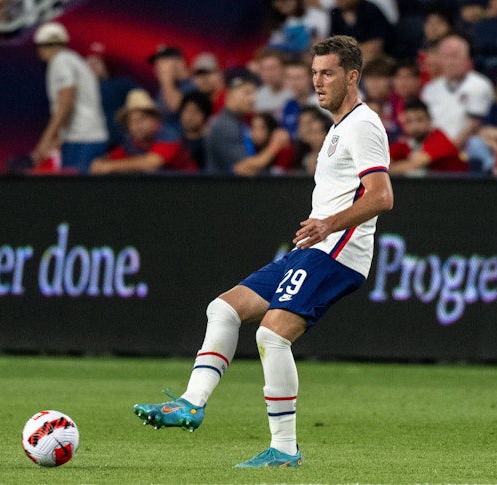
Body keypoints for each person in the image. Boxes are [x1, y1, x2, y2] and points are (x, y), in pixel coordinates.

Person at [133, 35, 393, 469]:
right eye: (314, 73)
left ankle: (285, 449)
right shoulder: (339, 127)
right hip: (314, 247)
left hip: (337, 251)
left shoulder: (363, 124)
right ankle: (190, 403)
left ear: (352, 76)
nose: (318, 81)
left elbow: (382, 196)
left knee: (271, 335)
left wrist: (328, 223)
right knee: (224, 308)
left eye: (327, 73)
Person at [31, 22, 108, 174]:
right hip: (90, 136)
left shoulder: (60, 62)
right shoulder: (75, 60)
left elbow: (66, 103)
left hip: (81, 139)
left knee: (76, 193)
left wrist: (47, 139)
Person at [89, 89, 197, 174]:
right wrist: (100, 163)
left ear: (154, 120)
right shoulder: (131, 141)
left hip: (189, 187)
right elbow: (112, 157)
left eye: (142, 119)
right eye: (132, 122)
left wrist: (110, 167)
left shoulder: (169, 134)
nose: (137, 126)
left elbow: (152, 162)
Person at [421, 34, 495, 152]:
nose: (450, 62)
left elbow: (474, 125)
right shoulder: (429, 90)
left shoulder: (480, 85)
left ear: (467, 59)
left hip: (465, 150)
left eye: (455, 56)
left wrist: (448, 149)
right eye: (446, 57)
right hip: (433, 149)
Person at [84, 41, 141, 150]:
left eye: (98, 61)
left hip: (118, 144)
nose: (92, 65)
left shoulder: (122, 83)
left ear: (106, 65)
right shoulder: (75, 90)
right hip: (87, 144)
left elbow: (144, 104)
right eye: (89, 60)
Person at [203, 68, 260, 174]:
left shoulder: (237, 121)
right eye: (247, 93)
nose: (253, 98)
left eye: (254, 93)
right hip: (221, 188)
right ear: (230, 94)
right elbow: (245, 168)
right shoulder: (226, 125)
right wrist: (274, 146)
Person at [389, 98, 466, 176]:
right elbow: (383, 161)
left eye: (420, 120)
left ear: (429, 120)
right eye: (409, 121)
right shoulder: (406, 144)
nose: (415, 126)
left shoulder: (439, 139)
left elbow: (415, 164)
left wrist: (386, 170)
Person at [149, 45, 195, 141]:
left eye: (163, 63)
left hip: (185, 144)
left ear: (179, 63)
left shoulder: (192, 85)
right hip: (164, 142)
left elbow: (175, 106)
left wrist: (166, 79)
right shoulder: (164, 89)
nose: (158, 68)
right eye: (156, 65)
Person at [329, 0, 393, 64]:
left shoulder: (370, 10)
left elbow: (376, 46)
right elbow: (333, 44)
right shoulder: (336, 13)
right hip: (349, 59)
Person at [254, 48, 294, 120]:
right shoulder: (257, 96)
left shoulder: (294, 93)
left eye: (273, 68)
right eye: (265, 69)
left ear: (283, 69)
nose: (270, 74)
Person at [178, 91, 213, 171]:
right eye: (186, 110)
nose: (190, 116)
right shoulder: (175, 142)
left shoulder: (210, 145)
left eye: (196, 111)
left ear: (206, 116)